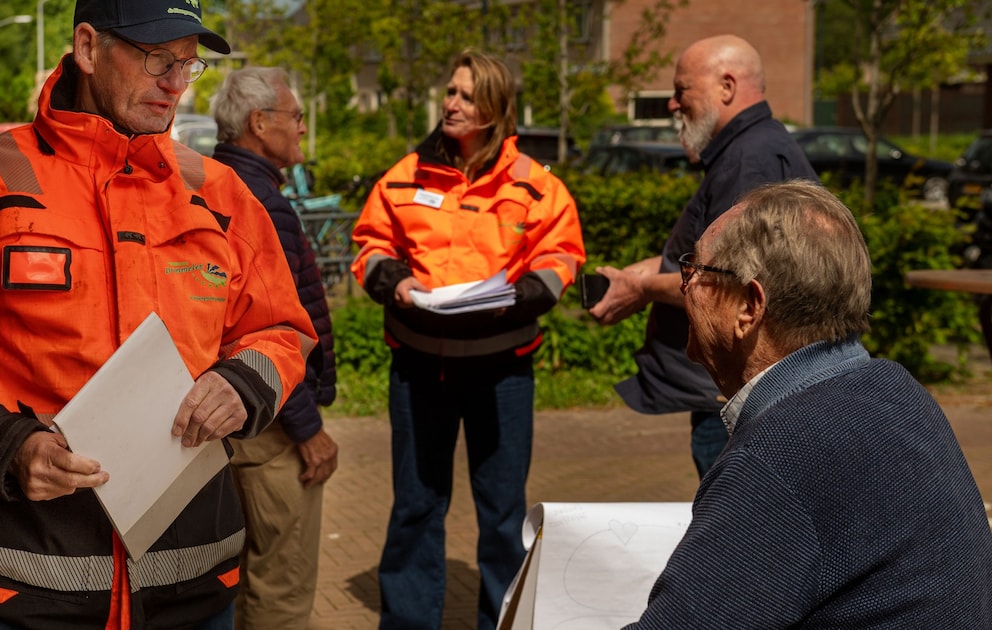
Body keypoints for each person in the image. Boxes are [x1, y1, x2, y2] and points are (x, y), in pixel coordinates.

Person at [0, 1, 316, 628]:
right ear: (88, 48)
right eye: (158, 58)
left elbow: (279, 328)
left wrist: (243, 385)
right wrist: (6, 447)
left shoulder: (218, 194)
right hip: (19, 585)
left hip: (190, 585)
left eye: (189, 64)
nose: (176, 84)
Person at [627, 179, 992, 627]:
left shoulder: (780, 454)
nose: (684, 289)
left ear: (748, 307)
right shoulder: (897, 391)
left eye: (695, 271)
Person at [350, 49, 586, 630]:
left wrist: (528, 293)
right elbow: (370, 245)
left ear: (496, 109)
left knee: (504, 517)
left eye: (466, 94)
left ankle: (502, 622)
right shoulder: (405, 174)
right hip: (417, 369)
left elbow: (561, 255)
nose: (451, 103)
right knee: (414, 509)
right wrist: (393, 281)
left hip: (501, 371)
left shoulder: (536, 185)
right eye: (450, 91)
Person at [588, 34, 817, 479]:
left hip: (743, 398)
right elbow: (703, 256)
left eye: (680, 91)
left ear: (726, 87)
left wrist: (640, 289)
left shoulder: (751, 161)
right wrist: (636, 277)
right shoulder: (747, 152)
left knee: (742, 539)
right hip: (735, 394)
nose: (673, 104)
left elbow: (724, 281)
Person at [208, 66, 338, 630]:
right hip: (272, 428)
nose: (303, 128)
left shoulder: (210, 183)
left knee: (228, 583)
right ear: (259, 123)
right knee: (279, 590)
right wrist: (308, 430)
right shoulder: (261, 202)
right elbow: (271, 330)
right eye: (296, 116)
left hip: (230, 416)